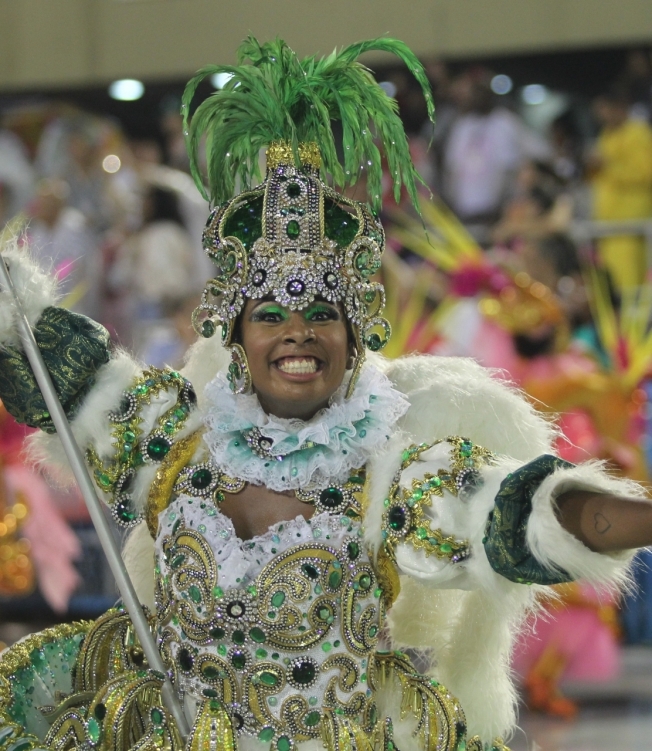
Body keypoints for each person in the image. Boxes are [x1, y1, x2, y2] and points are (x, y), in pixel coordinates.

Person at [0, 37, 652, 751]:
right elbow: (60, 366)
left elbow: (537, 518)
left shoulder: (391, 477)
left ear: (358, 334)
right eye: (271, 317)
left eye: (321, 316)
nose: (297, 335)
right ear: (238, 335)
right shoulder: (174, 440)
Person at [588, 87, 652, 290]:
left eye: (606, 109)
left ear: (619, 108)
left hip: (630, 226)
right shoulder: (606, 135)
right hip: (608, 226)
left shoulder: (638, 133)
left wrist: (607, 166)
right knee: (612, 288)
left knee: (631, 289)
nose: (602, 115)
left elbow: (646, 173)